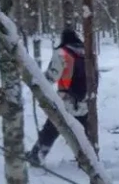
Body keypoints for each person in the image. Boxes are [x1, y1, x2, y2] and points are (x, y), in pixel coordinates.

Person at [26, 28, 90, 167]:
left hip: (67, 99)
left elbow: (51, 76)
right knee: (83, 132)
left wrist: (37, 83)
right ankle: (89, 160)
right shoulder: (87, 52)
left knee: (52, 127)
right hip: (85, 99)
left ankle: (37, 156)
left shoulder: (62, 53)